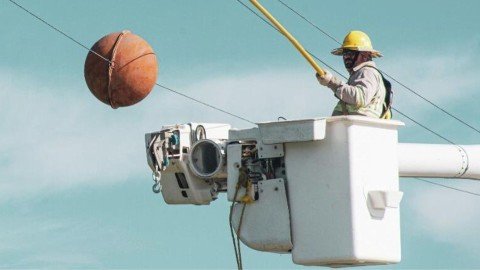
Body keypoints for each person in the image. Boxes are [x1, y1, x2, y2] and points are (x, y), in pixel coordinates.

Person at [316, 30, 390, 118]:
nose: (346, 57)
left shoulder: (367, 71)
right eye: (345, 53)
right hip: (351, 128)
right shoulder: (359, 74)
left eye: (350, 53)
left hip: (360, 128)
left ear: (365, 54)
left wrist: (332, 82)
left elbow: (361, 97)